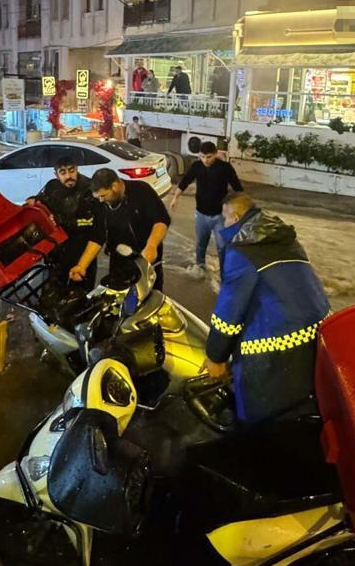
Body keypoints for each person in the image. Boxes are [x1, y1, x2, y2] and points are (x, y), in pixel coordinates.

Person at [203, 192, 331, 425]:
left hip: (280, 338)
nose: (224, 224)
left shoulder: (242, 251)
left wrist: (215, 355)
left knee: (260, 406)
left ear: (236, 217)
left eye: (225, 218)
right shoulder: (284, 238)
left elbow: (228, 313)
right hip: (319, 327)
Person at [72, 169, 170, 291]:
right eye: (98, 197)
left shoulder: (141, 190)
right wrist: (82, 265)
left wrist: (152, 245)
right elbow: (98, 236)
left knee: (148, 298)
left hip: (145, 258)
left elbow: (161, 219)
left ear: (114, 186)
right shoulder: (99, 203)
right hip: (119, 262)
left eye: (103, 196)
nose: (101, 200)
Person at [32, 152, 105, 291]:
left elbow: (92, 223)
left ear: (77, 169)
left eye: (71, 170)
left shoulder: (89, 190)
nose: (68, 176)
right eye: (63, 172)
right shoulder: (52, 186)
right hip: (57, 253)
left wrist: (61, 221)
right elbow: (41, 202)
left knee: (80, 296)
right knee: (52, 294)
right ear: (56, 174)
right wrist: (34, 202)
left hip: (82, 251)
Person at [169, 141, 242, 277]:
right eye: (202, 157)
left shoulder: (225, 168)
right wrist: (175, 197)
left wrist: (239, 209)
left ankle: (224, 272)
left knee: (222, 246)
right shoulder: (197, 166)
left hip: (220, 215)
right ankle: (200, 266)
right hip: (201, 214)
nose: (205, 160)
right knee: (201, 243)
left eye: (208, 157)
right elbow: (185, 181)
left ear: (215, 154)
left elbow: (238, 188)